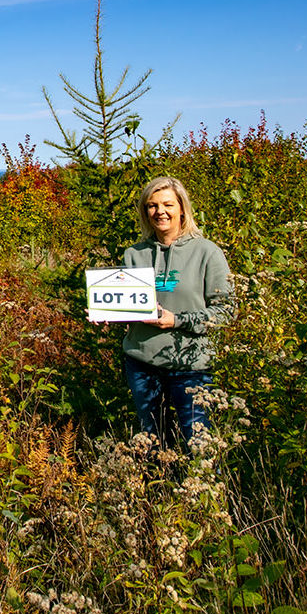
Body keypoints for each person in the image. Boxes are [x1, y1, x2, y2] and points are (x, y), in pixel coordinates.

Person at [121, 176, 234, 445]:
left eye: (167, 204)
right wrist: (107, 314)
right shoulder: (133, 254)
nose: (160, 211)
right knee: (150, 442)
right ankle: (155, 488)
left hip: (190, 366)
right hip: (142, 363)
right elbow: (127, 304)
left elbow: (227, 312)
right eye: (152, 205)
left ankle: (203, 487)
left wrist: (178, 321)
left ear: (182, 208)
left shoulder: (207, 252)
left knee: (198, 445)